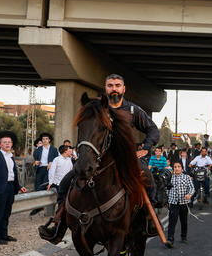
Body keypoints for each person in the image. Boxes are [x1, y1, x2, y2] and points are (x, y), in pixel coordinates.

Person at [39, 73, 160, 242]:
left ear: (123, 89)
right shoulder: (96, 108)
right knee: (67, 181)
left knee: (148, 178)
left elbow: (153, 130)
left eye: (118, 85)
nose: (114, 88)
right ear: (106, 88)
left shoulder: (133, 110)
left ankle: (149, 217)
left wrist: (146, 147)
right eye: (110, 85)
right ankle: (58, 223)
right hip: (96, 159)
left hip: (125, 158)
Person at [0, 131, 27, 244]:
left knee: (6, 213)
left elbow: (13, 174)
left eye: (9, 142)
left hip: (10, 188)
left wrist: (19, 187)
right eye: (5, 142)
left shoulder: (11, 157)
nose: (8, 144)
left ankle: (3, 235)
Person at [165, 161, 194, 248]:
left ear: (182, 168)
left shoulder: (186, 177)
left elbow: (192, 188)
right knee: (172, 222)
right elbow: (166, 189)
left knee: (184, 221)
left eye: (178, 166)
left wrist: (189, 194)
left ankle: (183, 236)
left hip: (184, 203)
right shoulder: (170, 178)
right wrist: (167, 199)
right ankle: (170, 239)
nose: (177, 168)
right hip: (173, 203)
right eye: (175, 167)